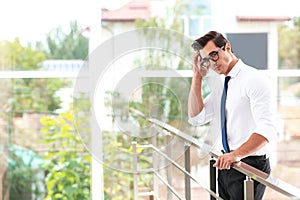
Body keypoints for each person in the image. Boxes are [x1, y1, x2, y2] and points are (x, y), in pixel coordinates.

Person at [188, 31, 277, 200]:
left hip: (249, 164)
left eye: (213, 55)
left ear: (227, 47)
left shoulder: (254, 79)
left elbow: (267, 129)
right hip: (226, 163)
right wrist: (197, 77)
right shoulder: (223, 84)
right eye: (206, 60)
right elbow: (197, 117)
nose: (211, 63)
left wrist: (236, 155)